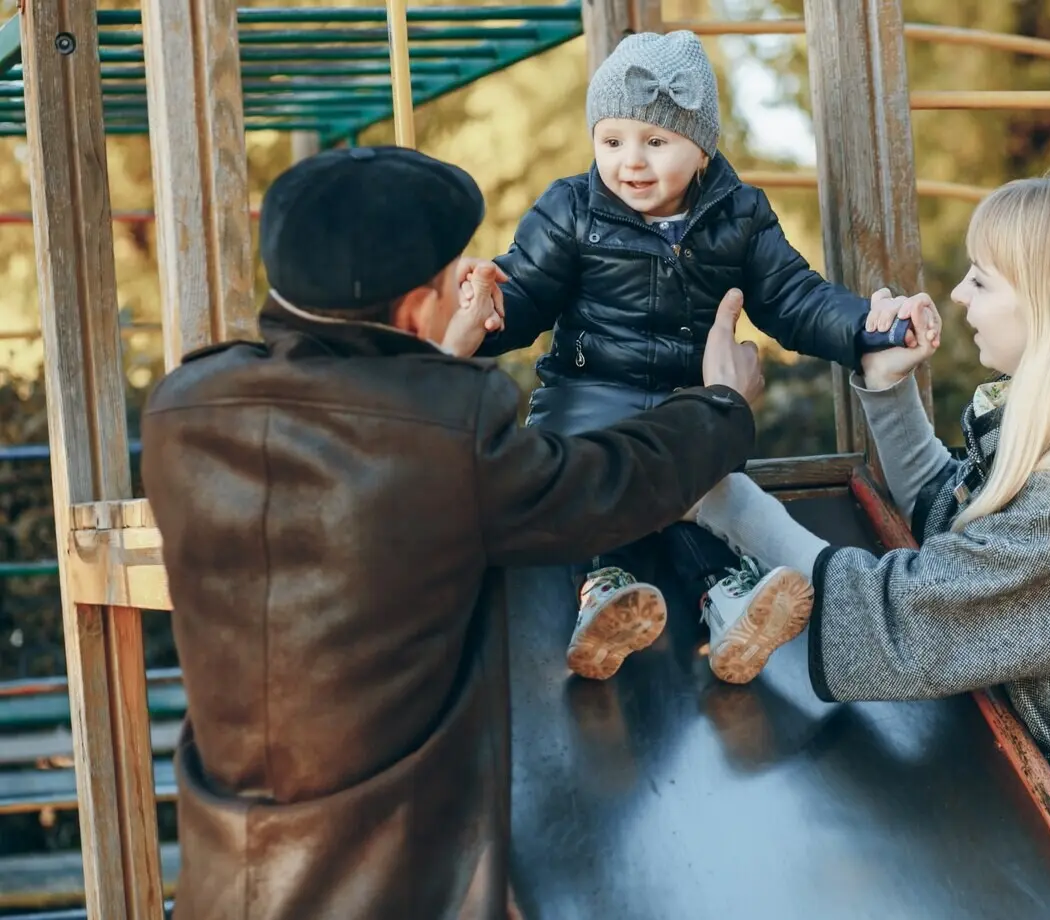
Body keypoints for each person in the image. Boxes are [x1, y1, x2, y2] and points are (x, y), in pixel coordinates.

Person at [138, 145, 766, 920]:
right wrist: (720, 406)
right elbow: (604, 484)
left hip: (226, 876)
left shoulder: (183, 411)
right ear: (410, 310)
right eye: (447, 282)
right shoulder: (448, 435)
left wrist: (435, 355)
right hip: (389, 885)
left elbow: (342, 440)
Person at [686, 173, 1050, 920]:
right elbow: (962, 529)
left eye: (981, 280)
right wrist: (885, 391)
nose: (959, 297)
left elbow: (904, 621)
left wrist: (725, 497)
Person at [461, 30, 911, 684]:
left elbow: (793, 295)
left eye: (655, 141)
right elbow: (525, 288)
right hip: (588, 410)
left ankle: (729, 602)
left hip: (689, 411)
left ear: (701, 147)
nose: (630, 163)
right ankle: (606, 593)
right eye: (611, 141)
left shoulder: (740, 217)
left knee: (692, 482)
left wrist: (865, 328)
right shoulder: (571, 211)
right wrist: (489, 316)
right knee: (607, 482)